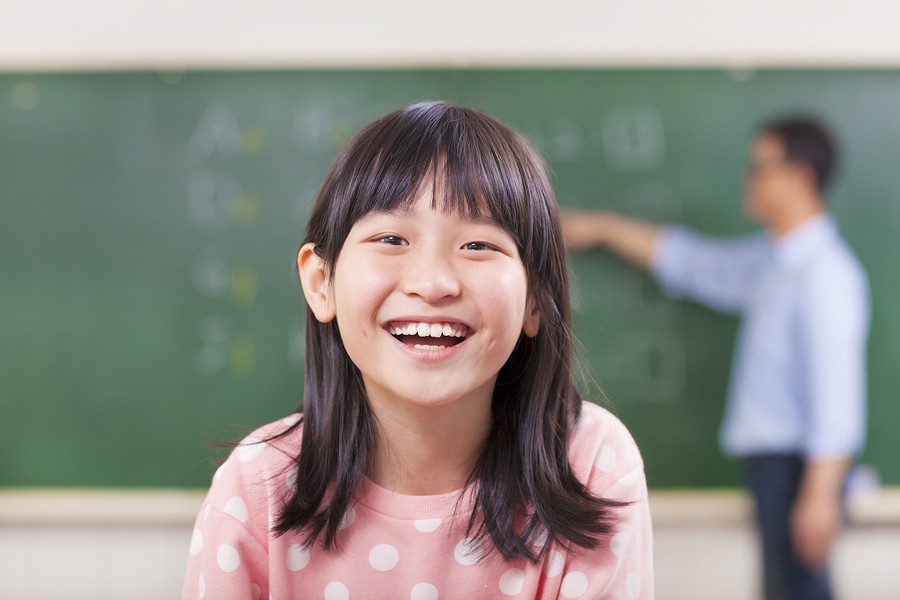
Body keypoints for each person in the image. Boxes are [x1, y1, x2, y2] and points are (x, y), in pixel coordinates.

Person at [183, 101, 653, 600]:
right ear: (322, 283)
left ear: (536, 299)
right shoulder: (257, 484)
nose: (433, 283)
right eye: (391, 238)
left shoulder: (588, 463)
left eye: (478, 245)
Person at [564, 116, 869, 600]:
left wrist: (820, 496)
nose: (749, 177)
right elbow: (693, 263)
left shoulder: (824, 275)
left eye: (760, 166)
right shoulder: (773, 263)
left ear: (800, 176)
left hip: (799, 471)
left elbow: (837, 398)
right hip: (776, 469)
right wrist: (602, 228)